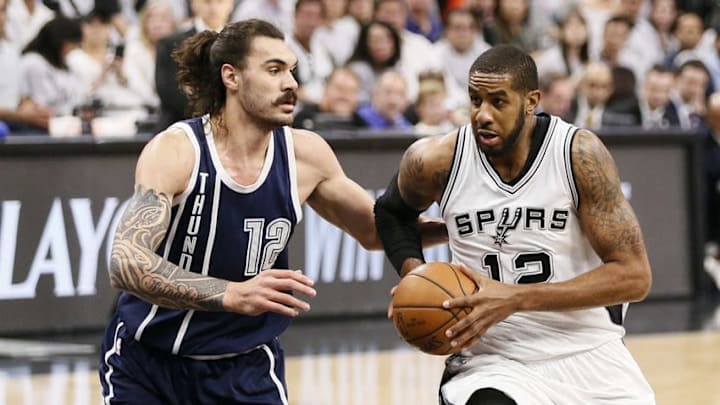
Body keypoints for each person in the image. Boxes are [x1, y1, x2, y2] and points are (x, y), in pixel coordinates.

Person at [98, 18, 445, 404]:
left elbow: (376, 230)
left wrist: (459, 226)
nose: (291, 83)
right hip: (149, 364)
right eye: (274, 70)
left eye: (292, 71)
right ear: (231, 77)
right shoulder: (178, 150)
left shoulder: (306, 155)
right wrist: (230, 294)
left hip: (244, 368)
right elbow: (126, 261)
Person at [374, 44, 655, 404]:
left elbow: (634, 276)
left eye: (498, 101)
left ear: (531, 101)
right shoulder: (436, 159)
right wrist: (416, 276)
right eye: (475, 100)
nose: (482, 114)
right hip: (493, 360)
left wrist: (516, 298)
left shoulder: (577, 155)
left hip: (589, 350)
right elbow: (391, 212)